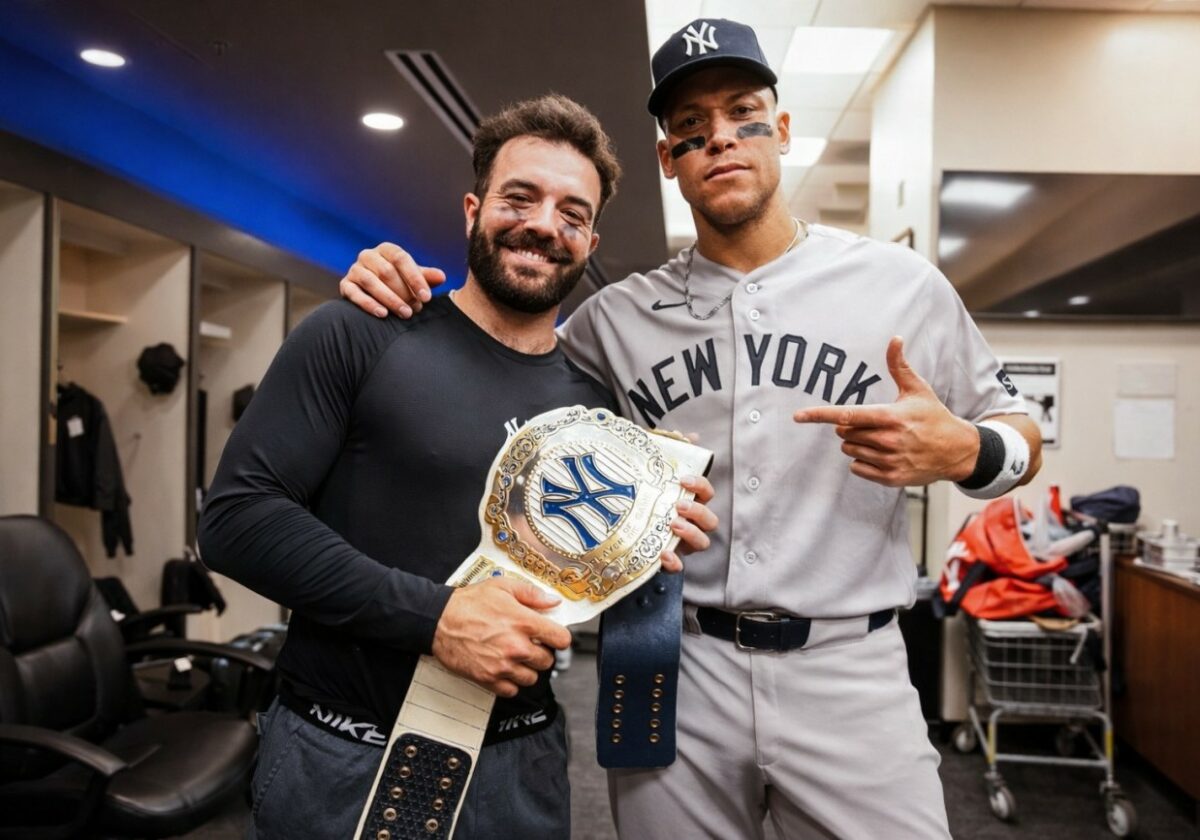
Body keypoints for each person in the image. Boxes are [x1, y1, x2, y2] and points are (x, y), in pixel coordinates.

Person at [339, 19, 1042, 840]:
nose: (722, 140)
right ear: (670, 159)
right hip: (672, 661)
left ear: (782, 129)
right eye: (692, 128)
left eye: (744, 114)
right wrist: (392, 289)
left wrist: (972, 450)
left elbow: (1019, 430)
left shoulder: (900, 286)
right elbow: (495, 357)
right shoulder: (615, 319)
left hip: (851, 668)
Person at [197, 93, 716, 840]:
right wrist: (435, 618)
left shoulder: (595, 408)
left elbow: (569, 583)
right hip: (346, 759)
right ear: (473, 208)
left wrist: (647, 543)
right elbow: (236, 520)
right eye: (520, 198)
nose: (544, 224)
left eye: (572, 213)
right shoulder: (360, 332)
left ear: (590, 239)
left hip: (521, 769)